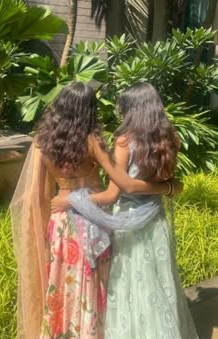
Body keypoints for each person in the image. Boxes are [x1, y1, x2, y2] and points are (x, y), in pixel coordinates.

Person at [10, 82, 182, 339]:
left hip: (59, 224)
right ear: (87, 110)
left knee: (61, 283)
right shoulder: (92, 141)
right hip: (91, 219)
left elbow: (37, 195)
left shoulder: (42, 143)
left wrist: (48, 221)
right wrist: (168, 186)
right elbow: (119, 186)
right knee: (90, 285)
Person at [55, 82, 198, 339]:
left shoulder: (124, 141)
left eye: (124, 107)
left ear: (133, 109)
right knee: (159, 284)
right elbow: (174, 185)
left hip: (127, 224)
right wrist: (167, 188)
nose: (121, 113)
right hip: (155, 220)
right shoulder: (169, 138)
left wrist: (73, 201)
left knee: (129, 286)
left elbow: (118, 191)